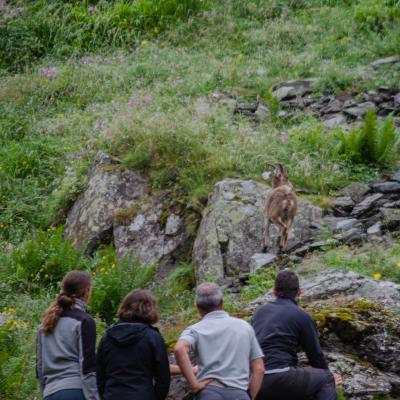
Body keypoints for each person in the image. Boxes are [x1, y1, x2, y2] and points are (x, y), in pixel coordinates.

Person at [252, 269, 342, 400]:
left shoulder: (259, 312)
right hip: (281, 376)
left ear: (274, 291)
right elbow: (314, 355)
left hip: (256, 379)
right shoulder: (302, 316)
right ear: (299, 291)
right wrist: (329, 375)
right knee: (326, 379)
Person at [175, 282, 265, 400]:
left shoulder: (194, 330)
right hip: (239, 393)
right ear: (222, 302)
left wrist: (194, 385)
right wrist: (249, 397)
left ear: (197, 306)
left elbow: (179, 349)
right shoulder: (245, 327)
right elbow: (259, 369)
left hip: (209, 393)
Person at [96, 289, 170, 400]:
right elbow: (163, 377)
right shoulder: (153, 337)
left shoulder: (107, 338)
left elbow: (99, 376)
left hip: (112, 395)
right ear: (149, 309)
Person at [36, 270, 99, 400]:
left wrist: (45, 393)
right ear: (86, 291)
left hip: (50, 392)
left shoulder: (44, 324)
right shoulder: (84, 321)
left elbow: (40, 367)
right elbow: (87, 365)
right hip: (75, 391)